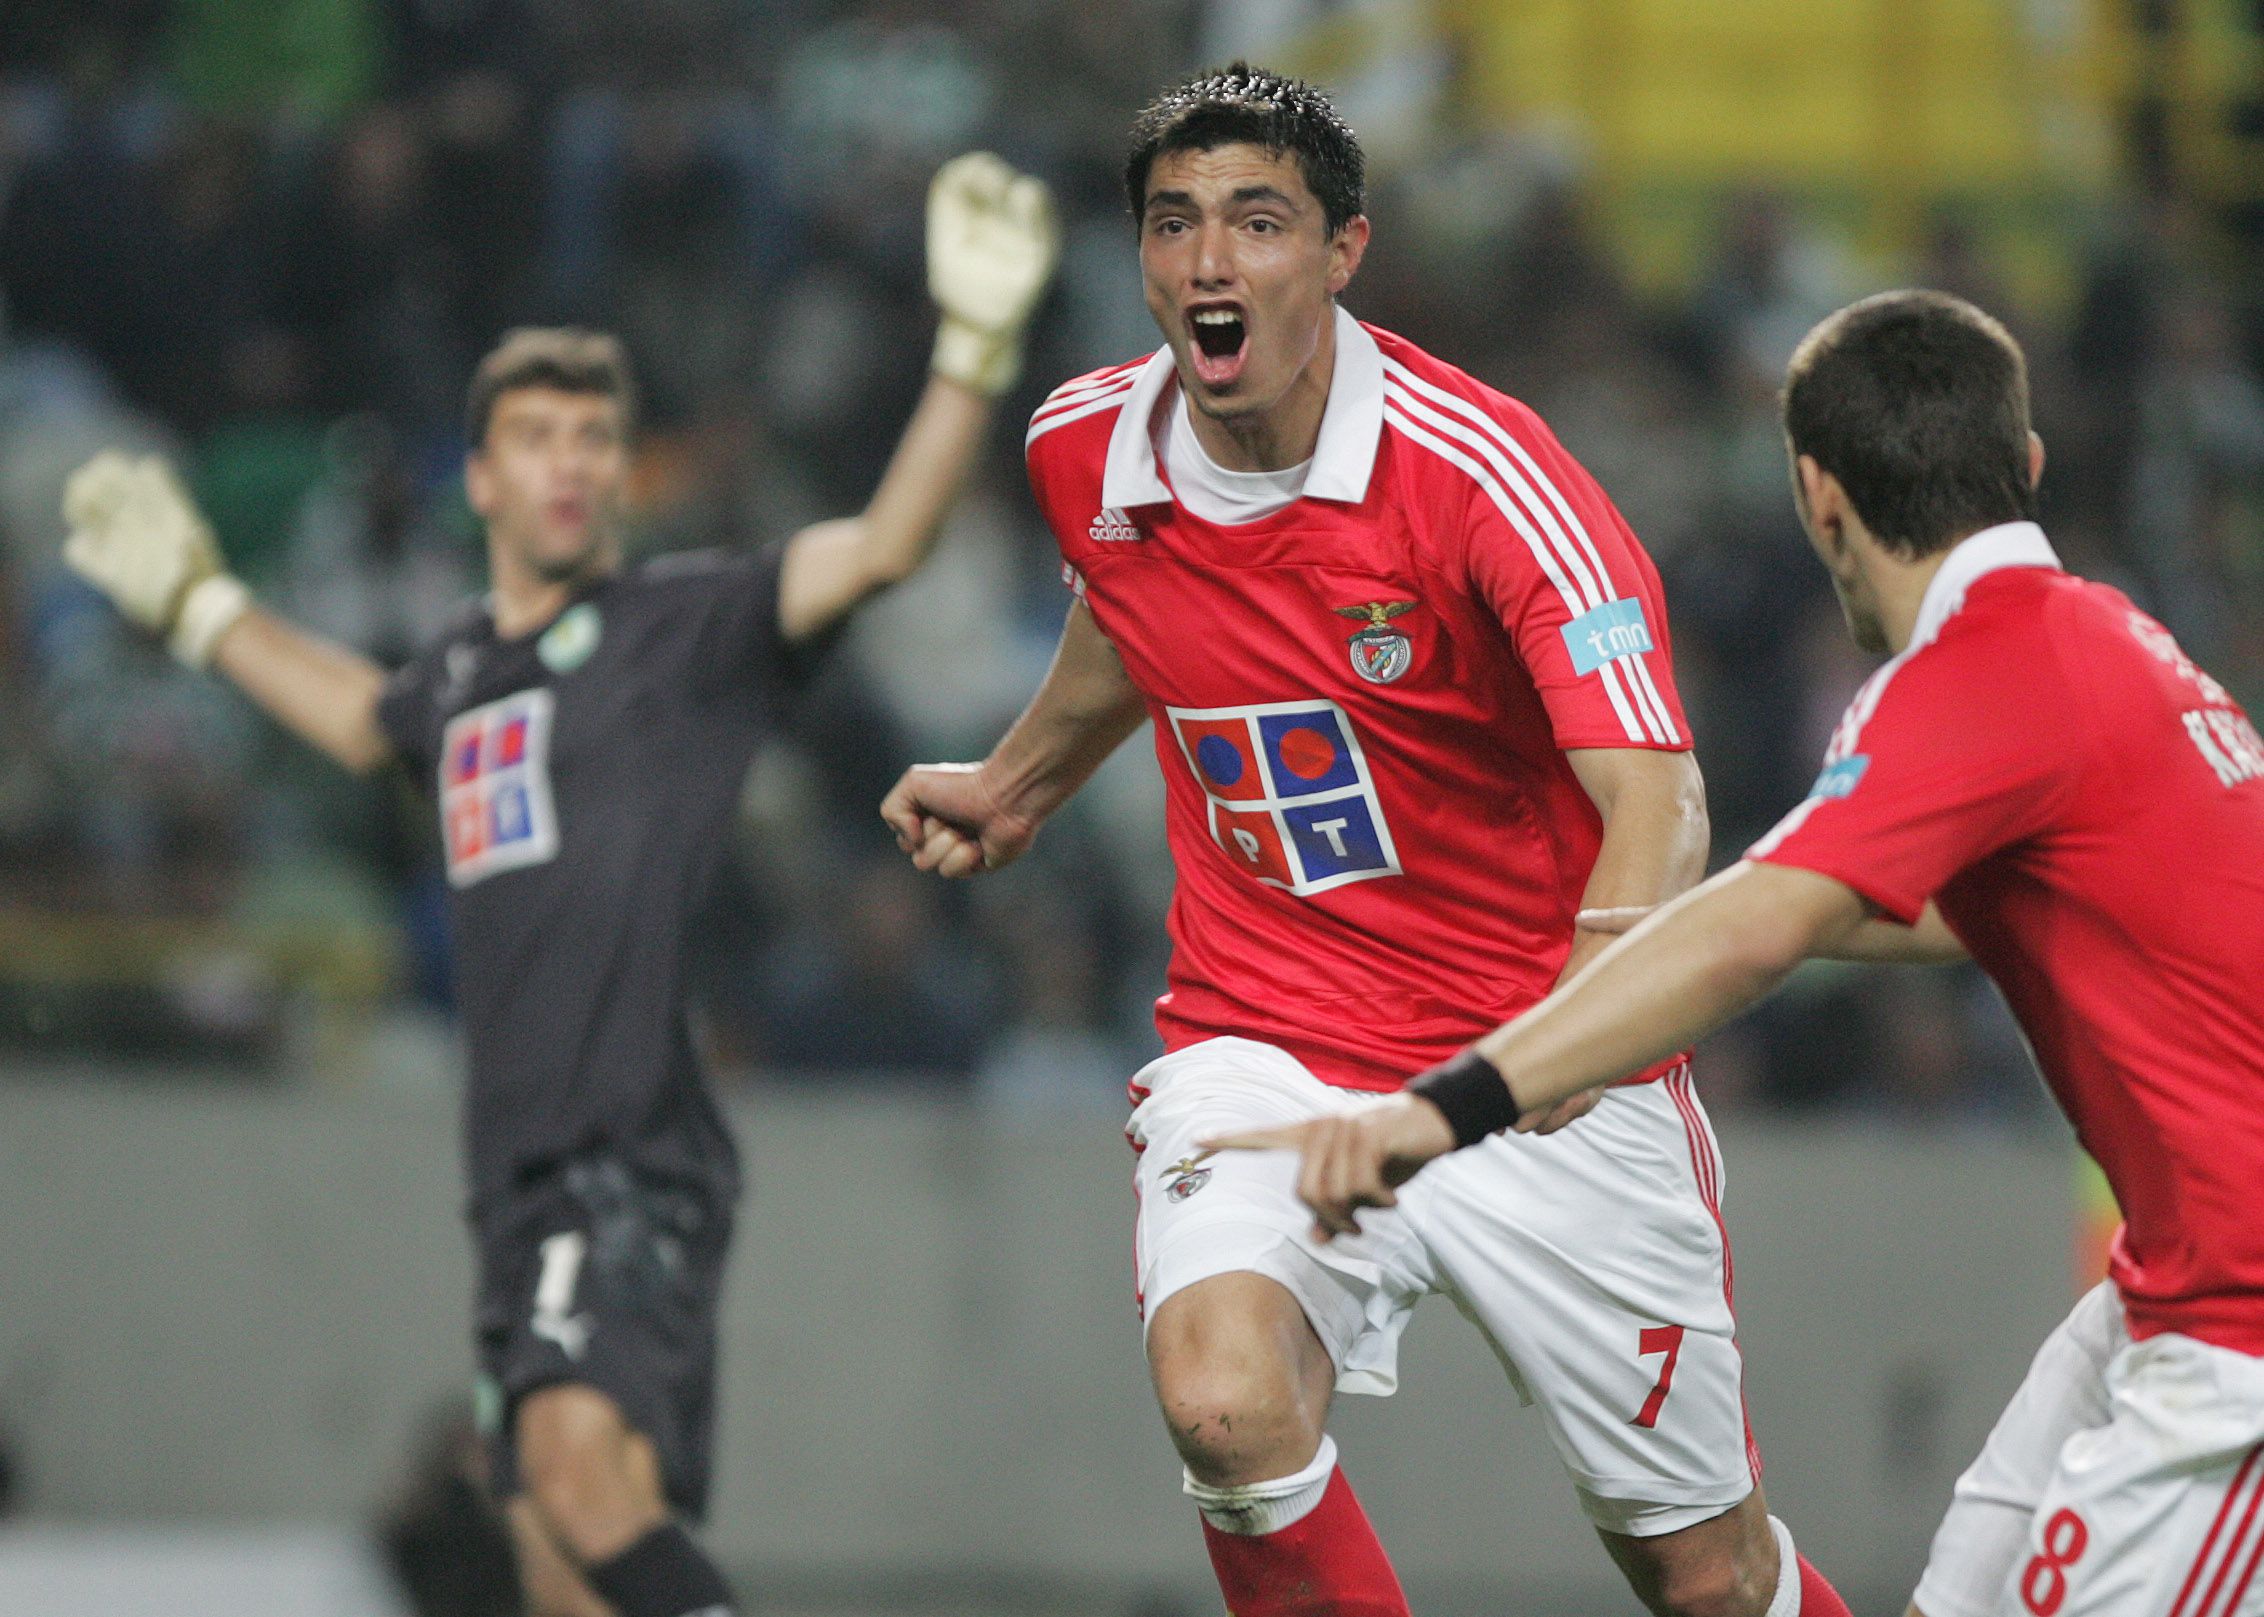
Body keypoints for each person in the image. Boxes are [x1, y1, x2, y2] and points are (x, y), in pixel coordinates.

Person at [881, 66, 1851, 1617]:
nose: (1211, 262)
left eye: (1258, 222)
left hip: (1538, 1072)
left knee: (1707, 1578)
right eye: (1175, 223)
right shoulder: (1085, 450)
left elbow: (1657, 799)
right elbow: (1137, 617)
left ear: (1343, 253)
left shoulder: (1485, 478)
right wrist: (1017, 783)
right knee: (1222, 1400)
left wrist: (1571, 1036)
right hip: (1266, 1042)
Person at [60, 154, 1058, 1617]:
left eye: (595, 435)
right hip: (518, 1176)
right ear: (480, 477)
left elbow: (885, 546)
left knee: (569, 1468)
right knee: (556, 1551)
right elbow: (358, 713)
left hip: (625, 1145)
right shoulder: (463, 671)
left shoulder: (678, 625)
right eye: (536, 435)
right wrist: (205, 605)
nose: (572, 461)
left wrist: (970, 352)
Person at [1218, 289, 2264, 1617]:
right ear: (2030, 468)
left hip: (2240, 1333)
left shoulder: (1984, 673)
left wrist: (1452, 1101)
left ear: (1817, 495)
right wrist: (1694, 918)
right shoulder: (2116, 641)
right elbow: (1945, 909)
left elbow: (1769, 922)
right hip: (2171, 1287)